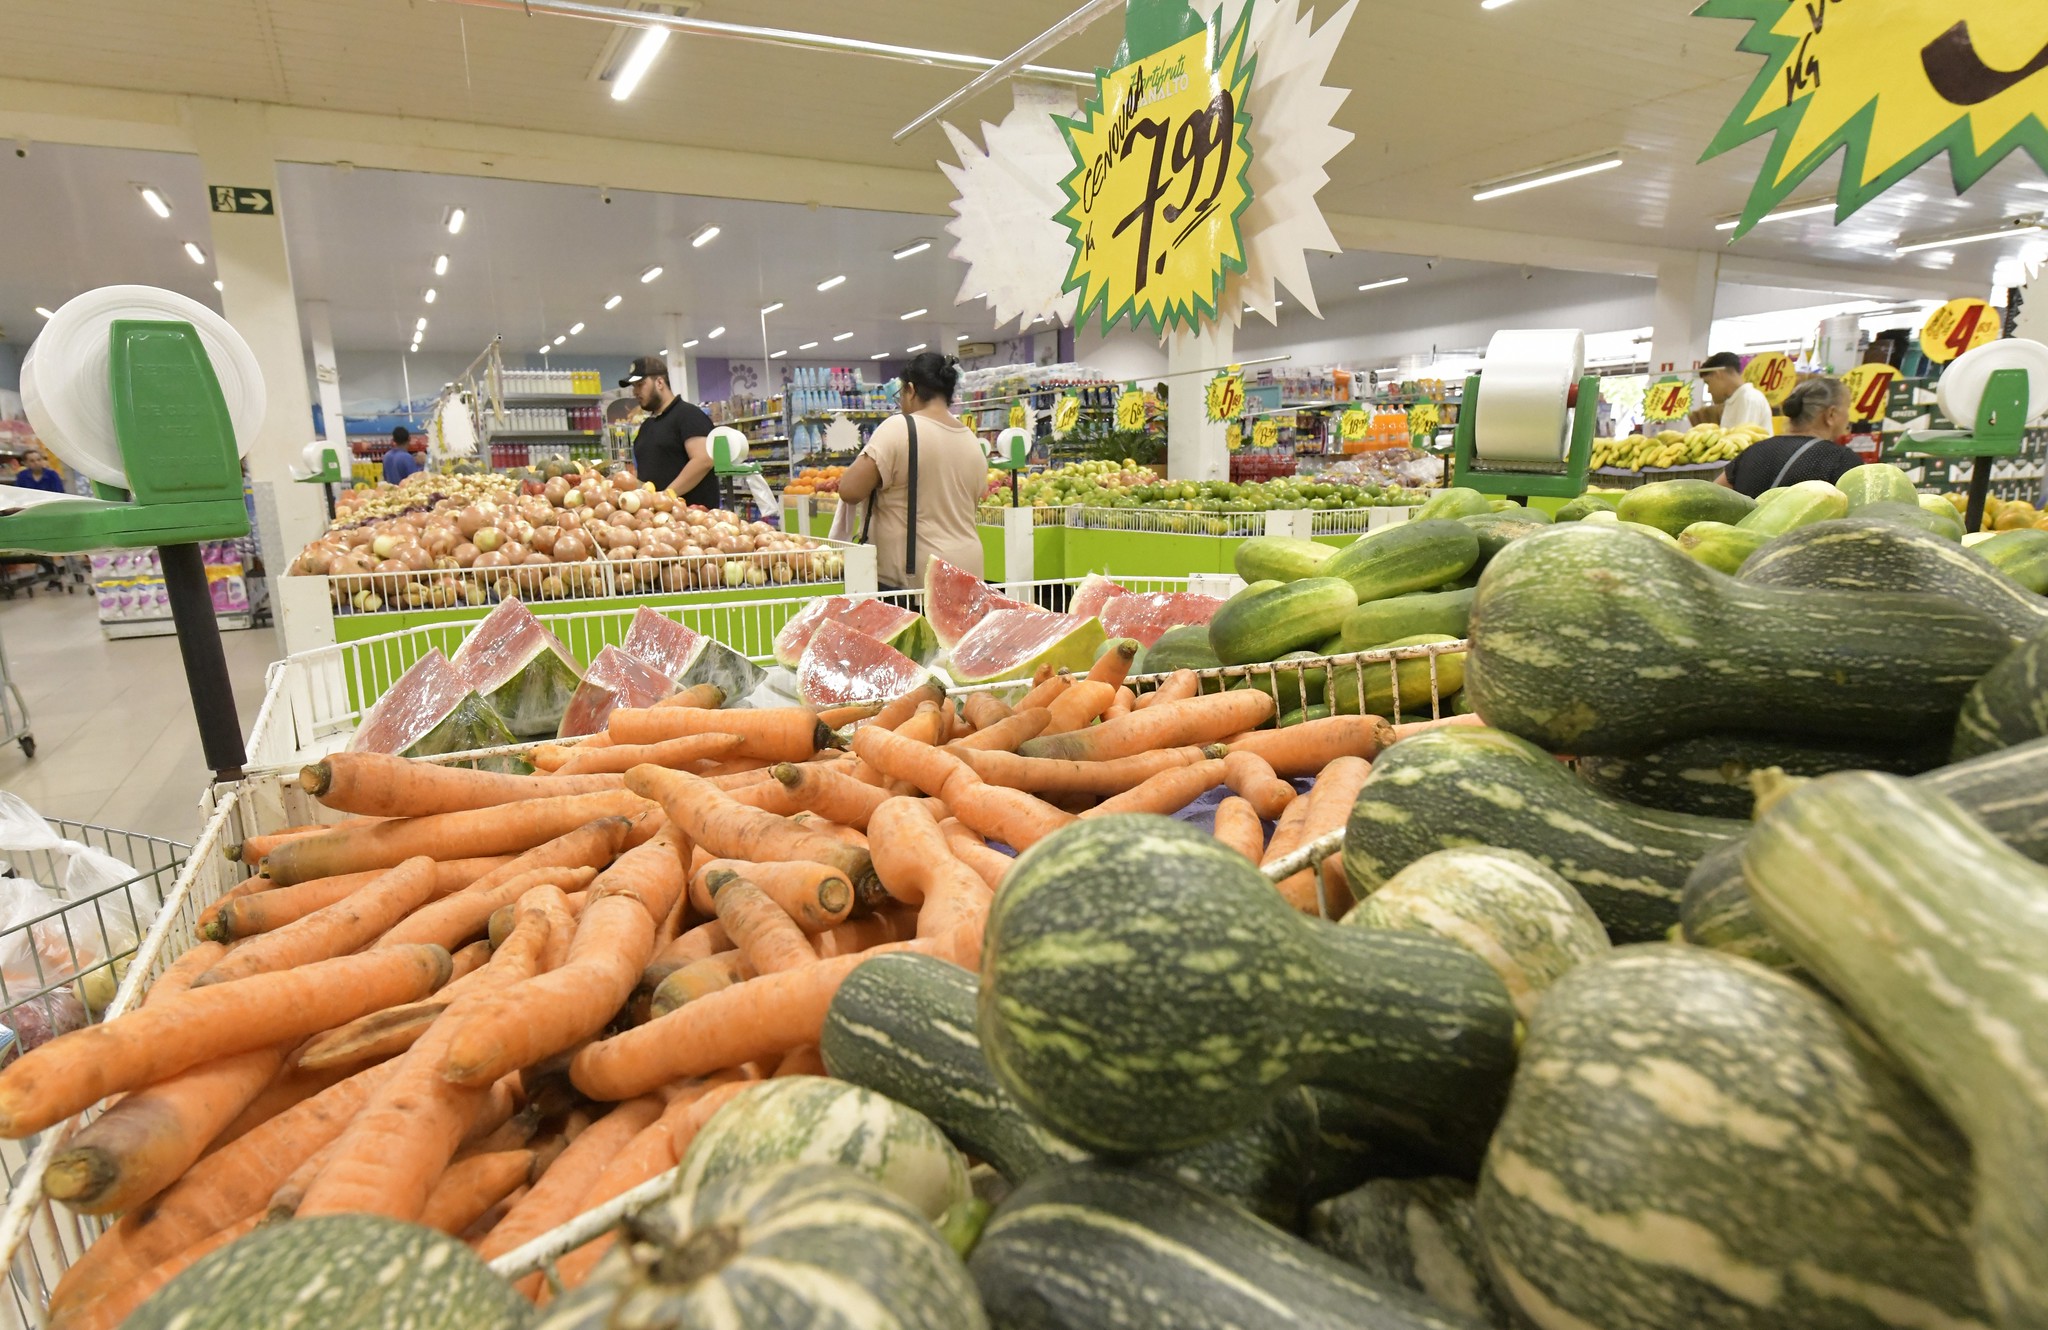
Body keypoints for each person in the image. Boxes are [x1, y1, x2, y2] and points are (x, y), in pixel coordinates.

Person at [837, 352, 987, 590]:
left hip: (915, 578)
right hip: (968, 570)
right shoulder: (970, 438)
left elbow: (849, 490)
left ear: (911, 389)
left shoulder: (900, 427)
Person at [1718, 377, 1860, 498]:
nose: (1848, 418)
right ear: (1831, 414)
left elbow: (1715, 493)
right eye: (1847, 409)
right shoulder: (1841, 460)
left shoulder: (1753, 450)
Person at [620, 355, 718, 510]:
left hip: (691, 520)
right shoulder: (647, 425)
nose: (635, 392)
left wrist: (666, 497)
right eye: (634, 387)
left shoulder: (688, 415)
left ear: (659, 382)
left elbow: (703, 460)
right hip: (658, 519)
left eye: (640, 385)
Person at [1693, 351, 1776, 434]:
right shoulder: (1734, 401)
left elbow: (1743, 440)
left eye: (1708, 383)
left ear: (1718, 374)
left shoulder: (1750, 399)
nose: (1709, 390)